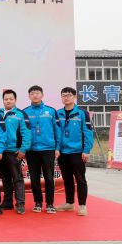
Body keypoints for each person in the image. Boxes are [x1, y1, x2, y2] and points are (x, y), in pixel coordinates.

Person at [23, 85, 61, 214]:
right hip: (32, 150)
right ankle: (38, 202)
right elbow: (23, 132)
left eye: (37, 93)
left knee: (49, 178)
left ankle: (50, 203)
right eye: (32, 93)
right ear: (29, 96)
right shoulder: (25, 112)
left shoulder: (51, 111)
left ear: (42, 95)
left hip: (48, 149)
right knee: (34, 178)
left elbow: (57, 130)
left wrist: (57, 147)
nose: (35, 95)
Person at [55, 87, 93, 216]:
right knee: (67, 179)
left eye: (69, 95)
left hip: (77, 152)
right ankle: (69, 203)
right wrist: (57, 148)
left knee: (80, 179)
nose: (66, 97)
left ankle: (82, 206)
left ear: (75, 97)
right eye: (63, 95)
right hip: (63, 153)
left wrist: (86, 150)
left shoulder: (82, 113)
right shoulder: (58, 113)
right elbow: (56, 133)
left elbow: (88, 132)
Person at [0, 89, 32, 215]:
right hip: (1, 151)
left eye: (11, 99)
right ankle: (7, 202)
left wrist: (23, 149)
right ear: (3, 100)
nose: (8, 101)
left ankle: (20, 204)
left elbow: (26, 133)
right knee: (5, 178)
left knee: (17, 178)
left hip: (14, 152)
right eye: (6, 99)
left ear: (15, 100)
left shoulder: (20, 114)